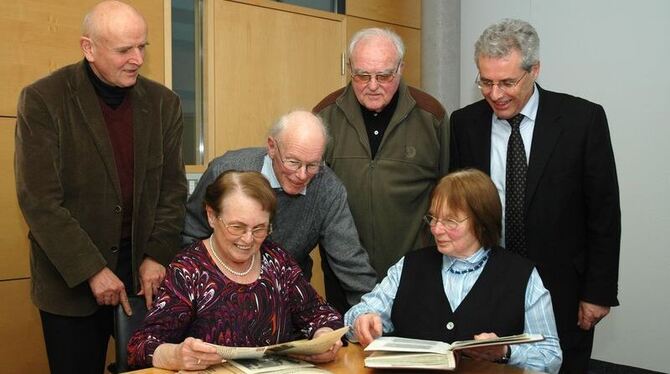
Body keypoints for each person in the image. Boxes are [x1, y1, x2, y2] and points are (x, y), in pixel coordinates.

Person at [13, 1, 187, 373]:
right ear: (88, 48)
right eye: (125, 50)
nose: (137, 59)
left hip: (143, 275)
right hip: (71, 279)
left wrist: (157, 255)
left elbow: (172, 191)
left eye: (143, 47)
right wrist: (92, 269)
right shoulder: (44, 99)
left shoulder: (164, 104)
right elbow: (40, 201)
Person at [449, 19, 621, 373]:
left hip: (562, 289)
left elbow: (603, 213)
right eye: (486, 81)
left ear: (534, 70)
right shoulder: (465, 124)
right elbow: (460, 207)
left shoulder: (581, 120)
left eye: (508, 82)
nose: (495, 94)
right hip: (488, 288)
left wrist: (598, 292)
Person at [344, 169, 562, 373]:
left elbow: (551, 357)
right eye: (433, 218)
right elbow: (355, 319)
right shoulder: (409, 266)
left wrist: (506, 352)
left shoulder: (521, 275)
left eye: (450, 221)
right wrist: (362, 320)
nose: (437, 229)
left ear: (481, 222)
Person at [128, 171, 343, 370]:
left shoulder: (276, 260)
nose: (248, 239)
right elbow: (140, 346)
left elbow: (320, 314)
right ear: (211, 216)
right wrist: (176, 355)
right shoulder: (189, 270)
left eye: (259, 228)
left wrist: (324, 337)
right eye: (237, 227)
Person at [182, 110, 377, 313]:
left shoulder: (327, 188)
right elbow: (190, 235)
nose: (301, 175)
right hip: (216, 297)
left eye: (312, 165)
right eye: (292, 162)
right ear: (272, 147)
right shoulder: (228, 170)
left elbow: (349, 260)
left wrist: (372, 312)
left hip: (285, 303)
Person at [314, 28, 449, 309]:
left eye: (384, 76)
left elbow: (450, 196)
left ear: (401, 69)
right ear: (350, 69)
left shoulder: (431, 116)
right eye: (362, 75)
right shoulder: (325, 116)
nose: (372, 85)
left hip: (417, 276)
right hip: (344, 279)